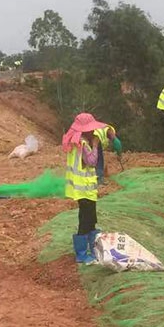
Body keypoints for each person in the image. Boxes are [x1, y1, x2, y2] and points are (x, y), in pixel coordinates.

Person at [63, 113, 109, 264]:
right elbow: (92, 161)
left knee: (91, 219)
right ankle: (82, 254)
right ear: (85, 131)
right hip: (84, 189)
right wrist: (95, 145)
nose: (94, 132)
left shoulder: (76, 141)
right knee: (86, 220)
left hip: (83, 188)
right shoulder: (82, 144)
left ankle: (92, 248)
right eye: (91, 130)